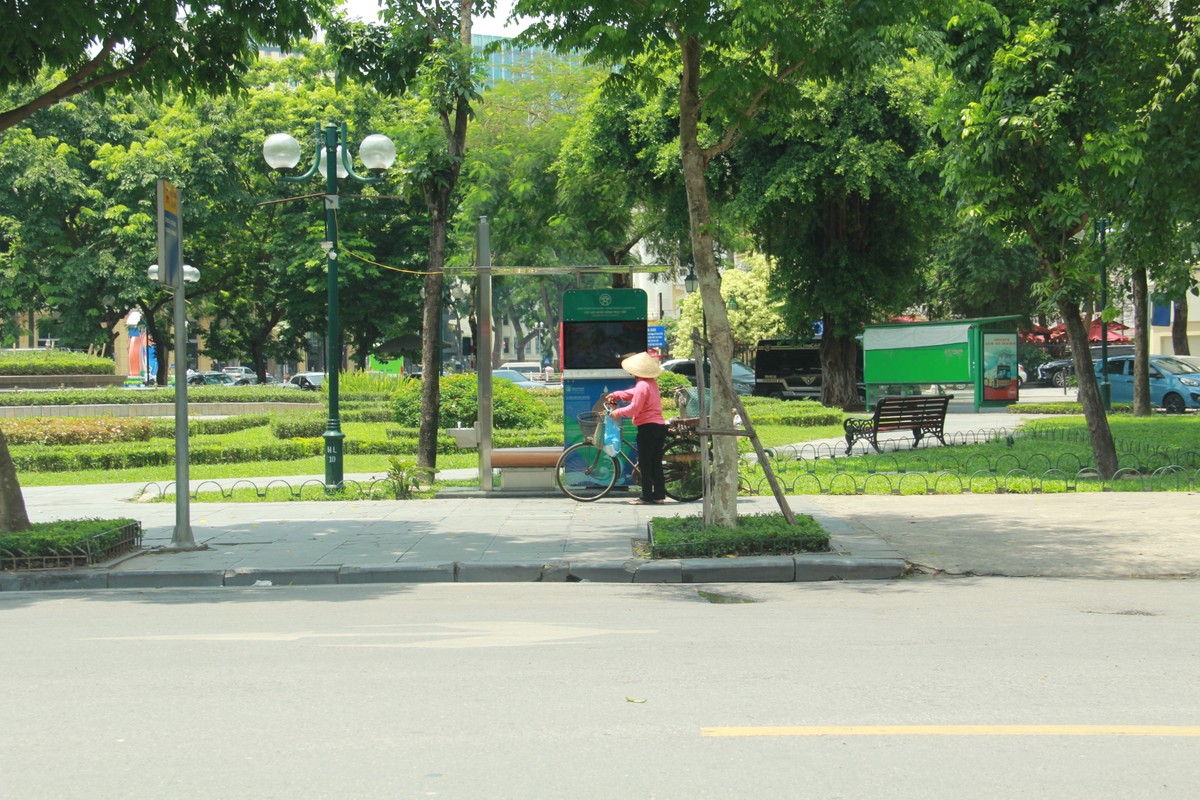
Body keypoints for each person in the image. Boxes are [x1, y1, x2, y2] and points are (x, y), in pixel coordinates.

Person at [607, 351, 668, 505]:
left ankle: (646, 496)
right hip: (658, 426)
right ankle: (659, 496)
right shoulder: (651, 383)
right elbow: (632, 393)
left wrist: (617, 412)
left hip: (648, 428)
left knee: (646, 463)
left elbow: (635, 408)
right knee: (655, 463)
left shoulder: (642, 385)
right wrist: (617, 395)